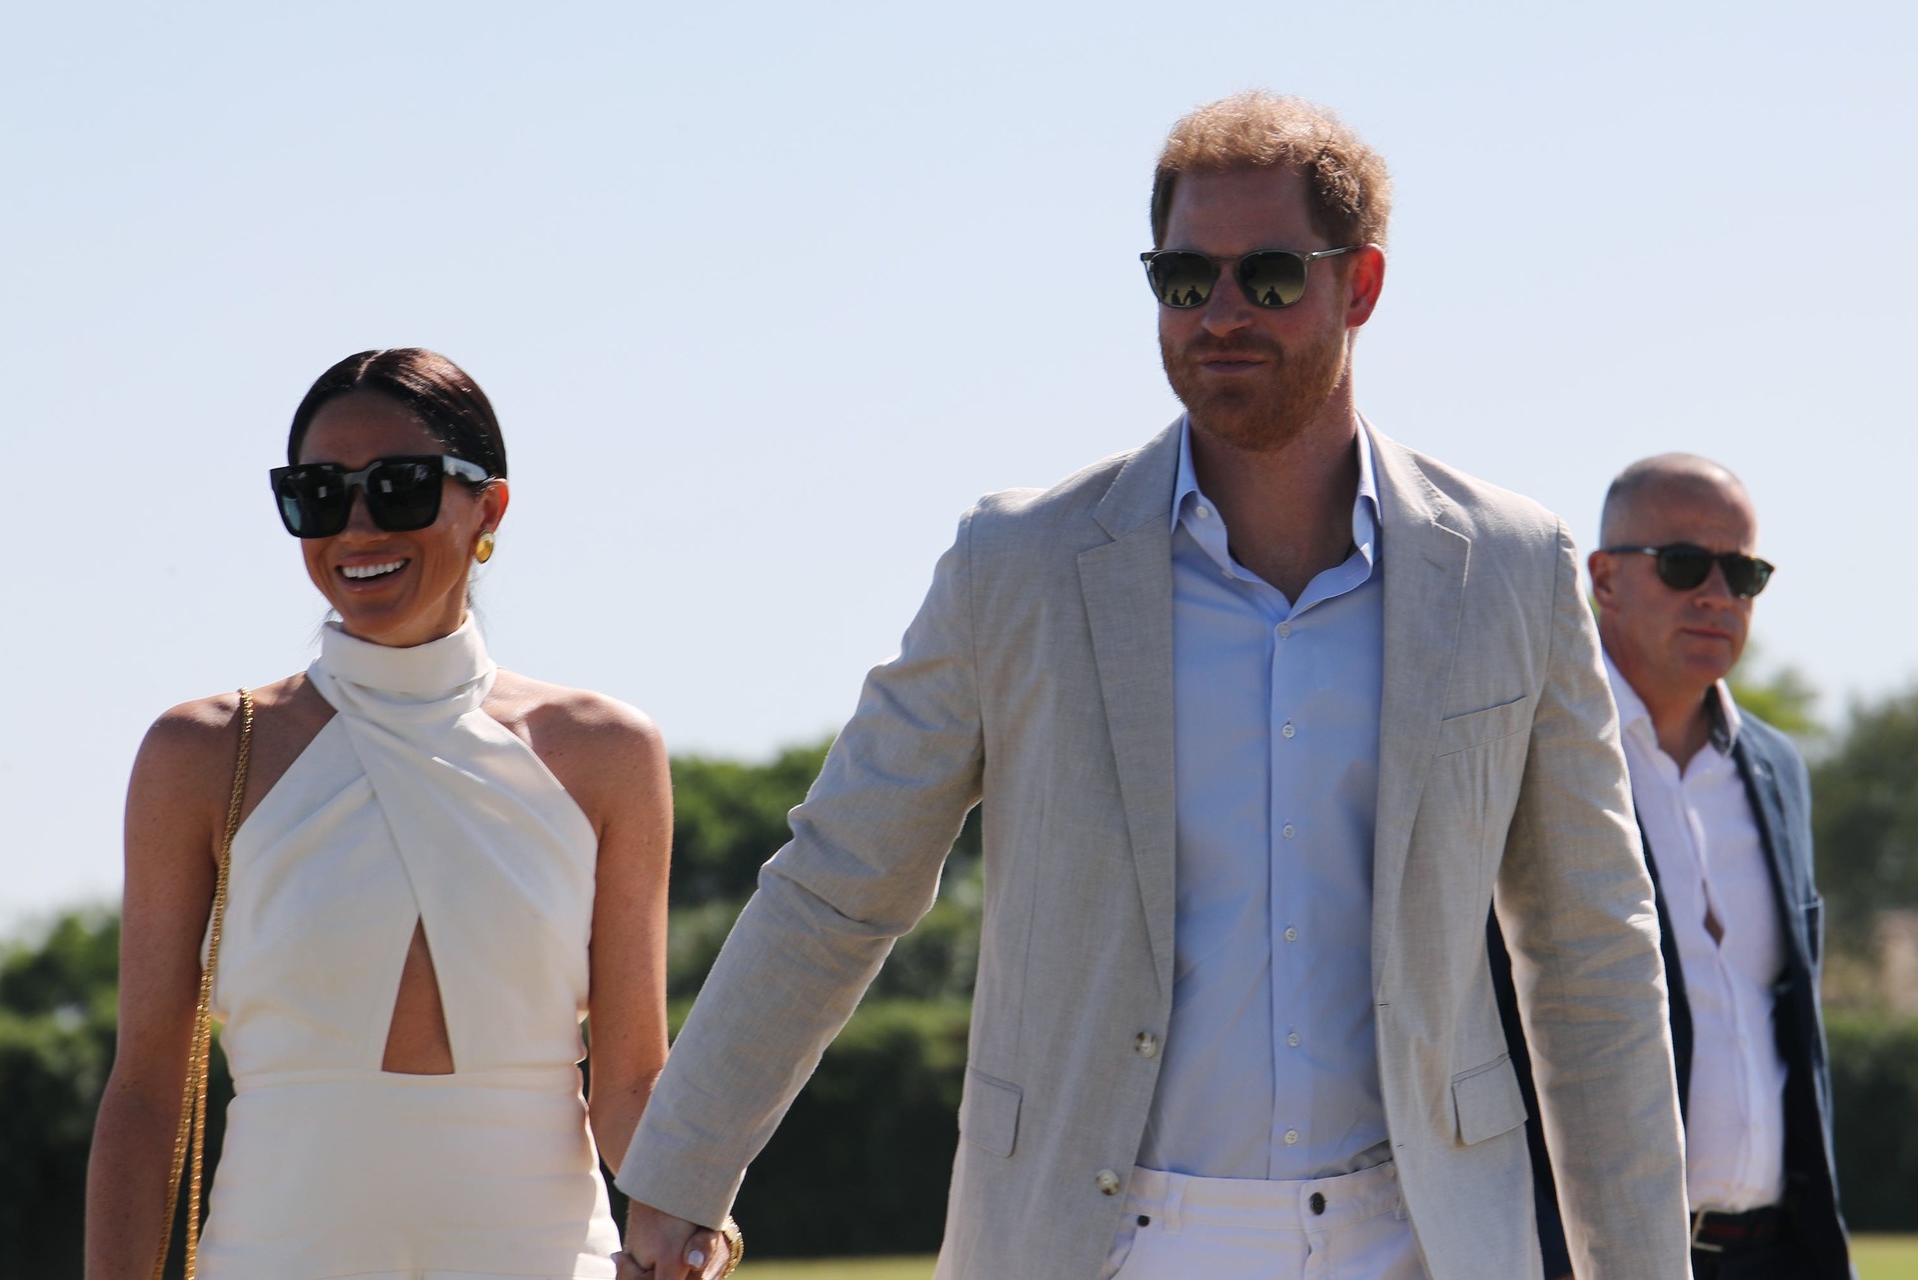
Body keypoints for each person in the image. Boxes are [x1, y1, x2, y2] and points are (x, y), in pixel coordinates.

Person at [617, 93, 1689, 1280]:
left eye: (1269, 277)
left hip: (1419, 1236)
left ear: (1363, 285)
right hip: (1103, 1240)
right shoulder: (1016, 564)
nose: (1220, 313)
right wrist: (679, 1172)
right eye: (1184, 278)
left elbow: (1593, 950)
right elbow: (836, 884)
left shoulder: (1511, 567)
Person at [83, 349, 713, 1280]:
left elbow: (629, 1084)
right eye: (319, 494)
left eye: (401, 486)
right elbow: (144, 1097)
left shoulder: (607, 753)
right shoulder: (200, 754)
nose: (359, 524)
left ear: (488, 509)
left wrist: (700, 1223)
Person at [1496, 454, 1853, 1279]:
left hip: (1773, 1253)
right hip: (1592, 1254)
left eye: (1745, 573)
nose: (1717, 595)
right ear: (1603, 580)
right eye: (1686, 563)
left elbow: (1792, 1028)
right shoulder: (1531, 754)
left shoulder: (1777, 769)